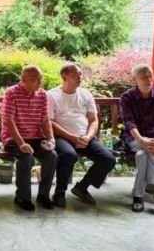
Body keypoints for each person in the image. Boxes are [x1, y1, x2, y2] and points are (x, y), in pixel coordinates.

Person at [47, 63, 116, 208]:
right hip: (62, 137)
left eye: (80, 74)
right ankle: (59, 192)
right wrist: (71, 137)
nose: (79, 77)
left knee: (108, 159)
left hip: (85, 136)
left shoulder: (86, 94)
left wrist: (88, 137)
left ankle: (82, 187)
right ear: (64, 76)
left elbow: (93, 120)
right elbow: (49, 122)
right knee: (68, 155)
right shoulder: (52, 95)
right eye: (75, 75)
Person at [119, 64, 154, 213]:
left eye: (151, 76)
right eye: (144, 77)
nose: (149, 80)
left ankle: (137, 196)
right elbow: (129, 122)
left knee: (143, 155)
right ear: (135, 79)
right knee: (150, 151)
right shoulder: (127, 97)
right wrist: (141, 140)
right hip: (133, 138)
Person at [2, 65, 58, 211]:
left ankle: (43, 195)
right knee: (26, 156)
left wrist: (51, 139)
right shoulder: (11, 93)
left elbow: (45, 120)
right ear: (23, 79)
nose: (39, 83)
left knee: (52, 155)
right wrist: (21, 143)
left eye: (40, 79)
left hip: (35, 137)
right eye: (35, 80)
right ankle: (22, 197)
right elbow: (9, 120)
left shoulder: (42, 94)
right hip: (13, 138)